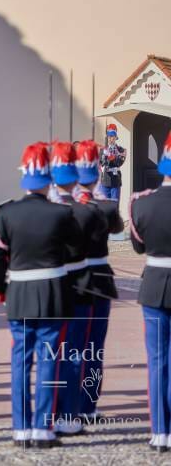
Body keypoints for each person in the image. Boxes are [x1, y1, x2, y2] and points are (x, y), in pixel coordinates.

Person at [0, 142, 81, 448]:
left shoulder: (4, 212)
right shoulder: (62, 214)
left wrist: (1, 290)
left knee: (20, 362)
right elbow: (74, 254)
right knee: (48, 362)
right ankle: (43, 427)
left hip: (19, 294)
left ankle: (21, 427)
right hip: (53, 293)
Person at [48, 142, 98, 436]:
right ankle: (71, 411)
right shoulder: (88, 210)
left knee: (52, 353)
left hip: (50, 288)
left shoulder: (42, 210)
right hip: (79, 286)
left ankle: (49, 413)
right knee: (78, 351)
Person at [74, 139, 123, 423]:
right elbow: (116, 226)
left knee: (72, 346)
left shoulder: (65, 207)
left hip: (73, 280)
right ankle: (88, 405)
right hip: (99, 279)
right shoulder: (103, 207)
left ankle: (70, 403)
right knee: (94, 348)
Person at [129, 131, 171, 452]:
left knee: (157, 361)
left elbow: (138, 245)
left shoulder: (141, 204)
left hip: (155, 284)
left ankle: (160, 430)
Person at [99, 124, 126, 201]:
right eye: (109, 137)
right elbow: (101, 163)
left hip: (115, 181)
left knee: (114, 206)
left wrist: (112, 156)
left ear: (115, 137)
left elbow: (120, 162)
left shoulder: (121, 150)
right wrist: (105, 156)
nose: (110, 139)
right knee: (104, 206)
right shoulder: (103, 150)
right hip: (105, 180)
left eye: (112, 137)